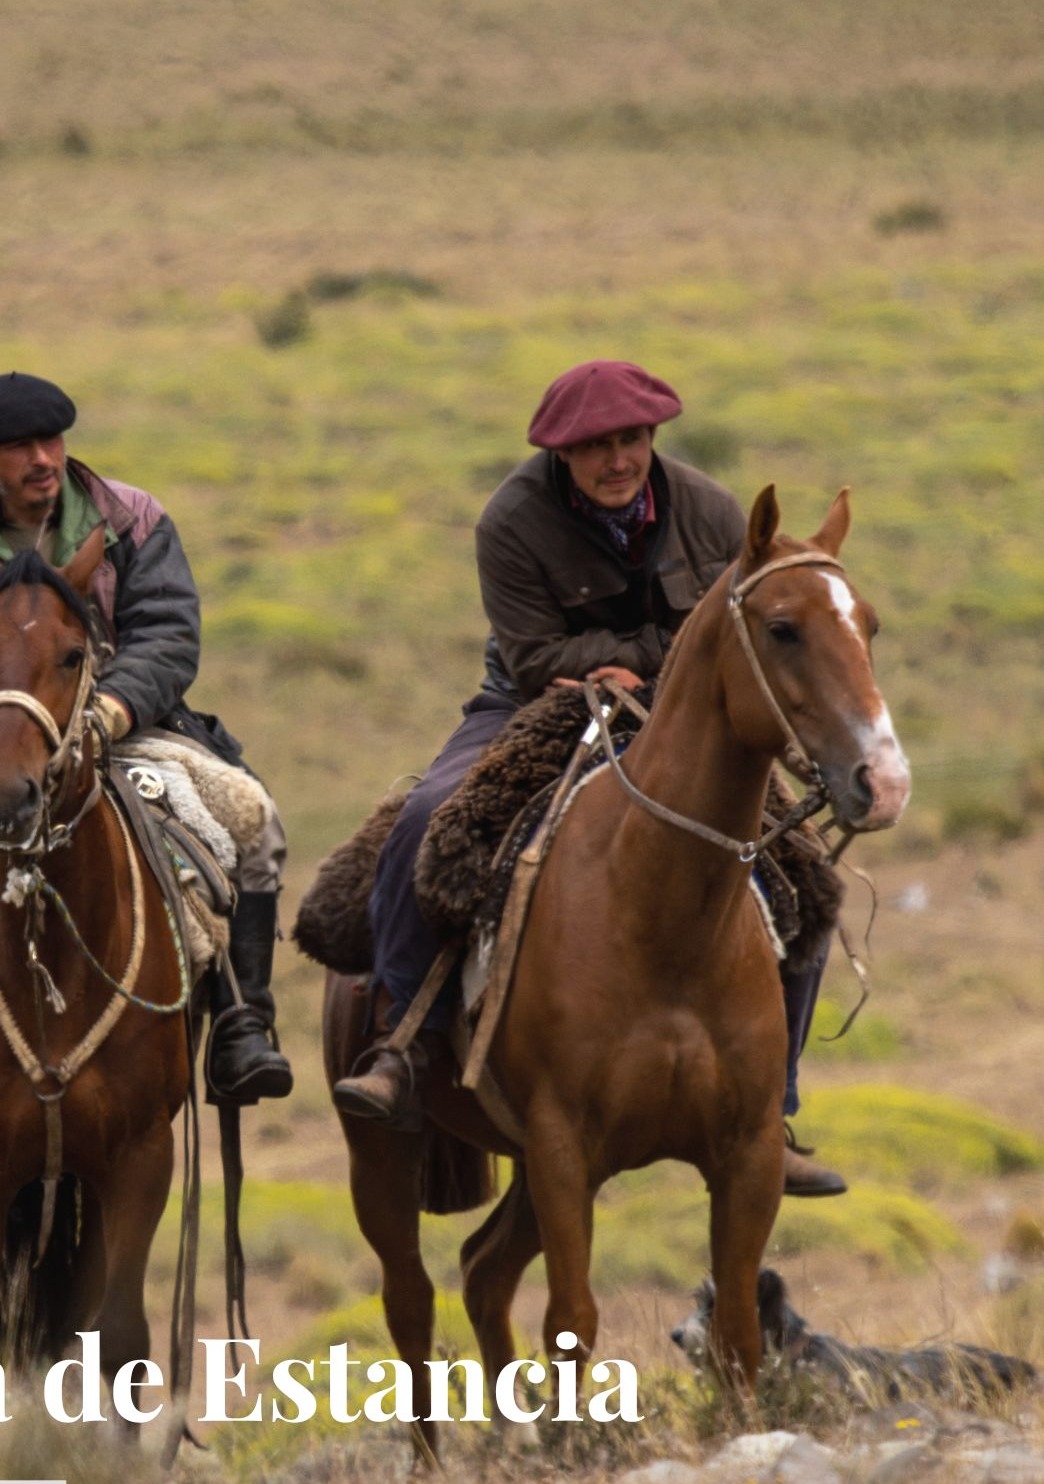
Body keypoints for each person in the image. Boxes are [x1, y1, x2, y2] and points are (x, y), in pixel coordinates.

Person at [331, 359, 844, 1196]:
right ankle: (402, 1042)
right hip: (536, 700)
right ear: (561, 453)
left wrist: (648, 666)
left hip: (680, 712)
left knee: (806, 871)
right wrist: (651, 655)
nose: (618, 461)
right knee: (428, 816)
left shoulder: (711, 510)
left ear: (653, 437)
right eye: (597, 447)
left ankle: (771, 1106)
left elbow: (730, 636)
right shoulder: (510, 521)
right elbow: (536, 653)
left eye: (631, 440)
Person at [0, 370, 293, 1111]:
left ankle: (243, 1022)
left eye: (51, 440)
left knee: (251, 818)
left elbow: (168, 635)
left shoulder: (134, 522)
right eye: (20, 447)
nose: (42, 458)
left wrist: (110, 711)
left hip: (122, 728)